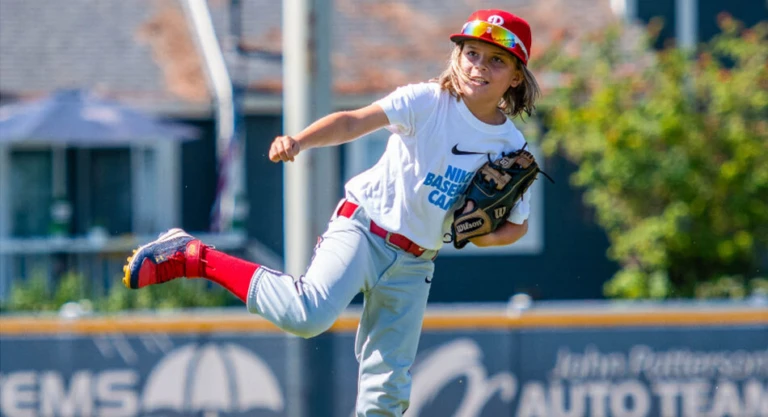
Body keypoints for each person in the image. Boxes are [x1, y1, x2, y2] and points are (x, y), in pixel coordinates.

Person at [123, 8, 541, 416]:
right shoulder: (428, 101)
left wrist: (475, 232)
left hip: (416, 263)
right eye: (472, 52)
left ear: (517, 75)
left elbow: (516, 228)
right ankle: (194, 255)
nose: (479, 66)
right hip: (363, 228)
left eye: (497, 60)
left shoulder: (510, 146)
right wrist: (300, 140)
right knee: (307, 315)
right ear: (457, 55)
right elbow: (351, 121)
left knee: (386, 393)